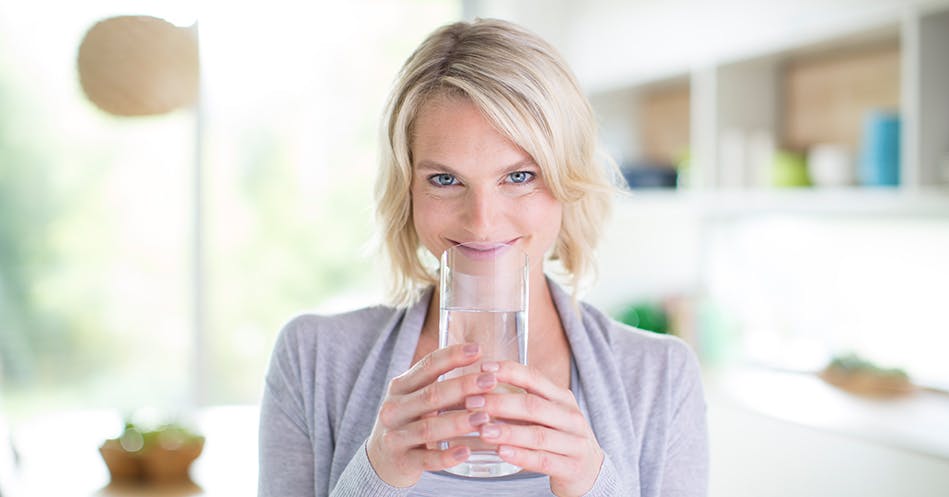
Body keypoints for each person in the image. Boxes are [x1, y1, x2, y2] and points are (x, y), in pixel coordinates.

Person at [258, 18, 708, 497]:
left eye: (518, 177)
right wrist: (376, 475)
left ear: (567, 179)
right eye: (445, 180)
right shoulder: (312, 359)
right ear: (406, 188)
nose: (482, 222)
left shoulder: (661, 376)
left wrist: (594, 484)